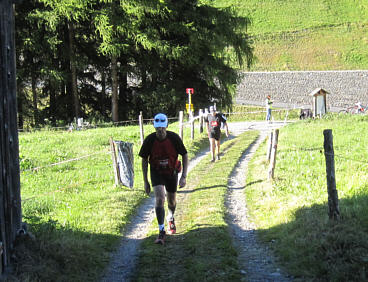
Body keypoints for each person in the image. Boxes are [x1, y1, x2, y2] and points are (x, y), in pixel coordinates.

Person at [139, 113, 188, 245]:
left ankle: (171, 218)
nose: (160, 131)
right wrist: (145, 181)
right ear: (155, 128)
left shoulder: (174, 138)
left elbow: (184, 154)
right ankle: (161, 231)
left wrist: (183, 176)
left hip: (172, 172)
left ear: (166, 126)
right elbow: (144, 160)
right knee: (160, 198)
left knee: (171, 201)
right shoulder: (149, 140)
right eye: (157, 128)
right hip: (156, 172)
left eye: (162, 128)